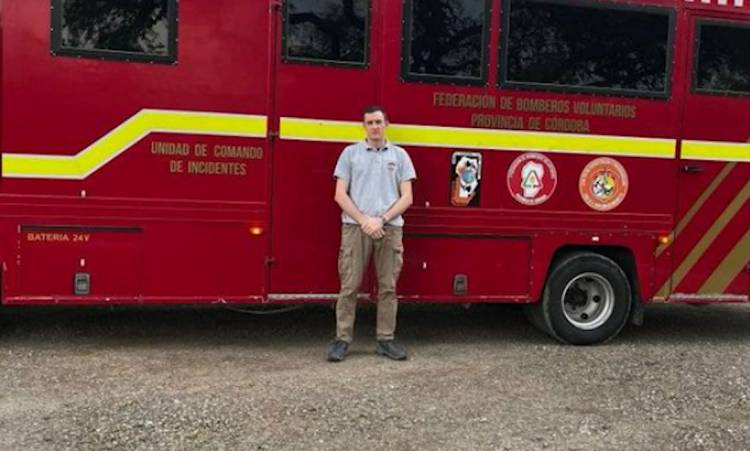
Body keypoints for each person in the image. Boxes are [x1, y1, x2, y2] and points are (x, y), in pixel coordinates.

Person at [327, 105, 416, 362]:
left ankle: (385, 339)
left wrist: (382, 219)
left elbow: (407, 196)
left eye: (378, 121)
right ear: (363, 126)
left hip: (389, 228)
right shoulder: (350, 154)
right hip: (356, 227)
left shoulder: (400, 156)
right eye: (370, 122)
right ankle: (342, 339)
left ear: (387, 124)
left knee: (388, 287)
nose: (375, 126)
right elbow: (339, 194)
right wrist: (364, 220)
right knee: (349, 285)